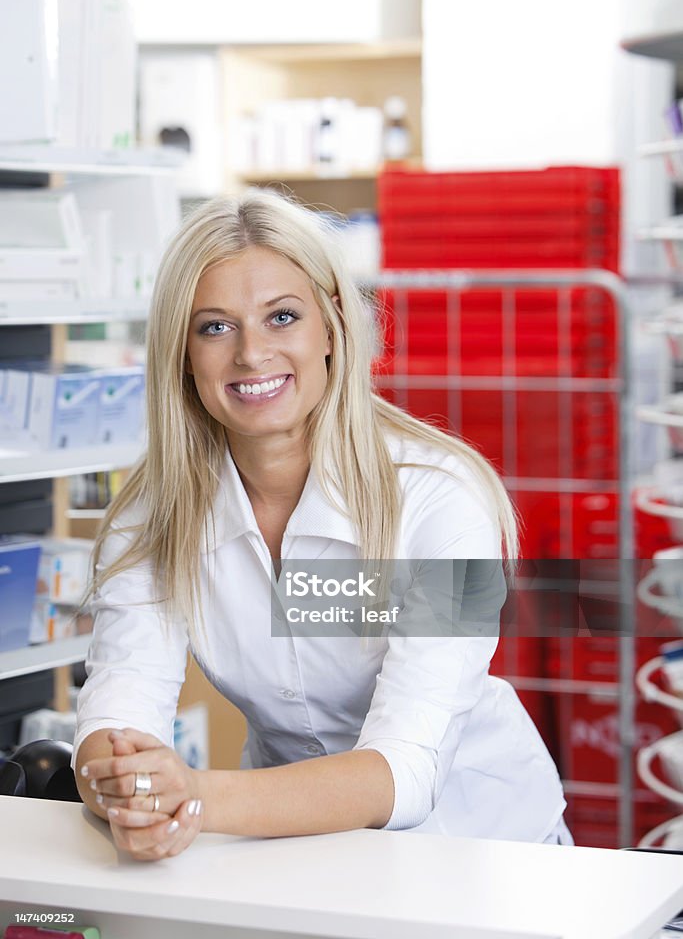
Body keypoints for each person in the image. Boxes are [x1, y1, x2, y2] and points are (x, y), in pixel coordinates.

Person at [74, 189, 571, 860]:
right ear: (181, 354)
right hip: (289, 843)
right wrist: (125, 784)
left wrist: (193, 795)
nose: (251, 354)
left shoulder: (440, 501)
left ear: (333, 327)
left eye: (281, 317)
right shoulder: (156, 511)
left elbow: (406, 769)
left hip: (484, 847)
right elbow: (120, 700)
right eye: (214, 327)